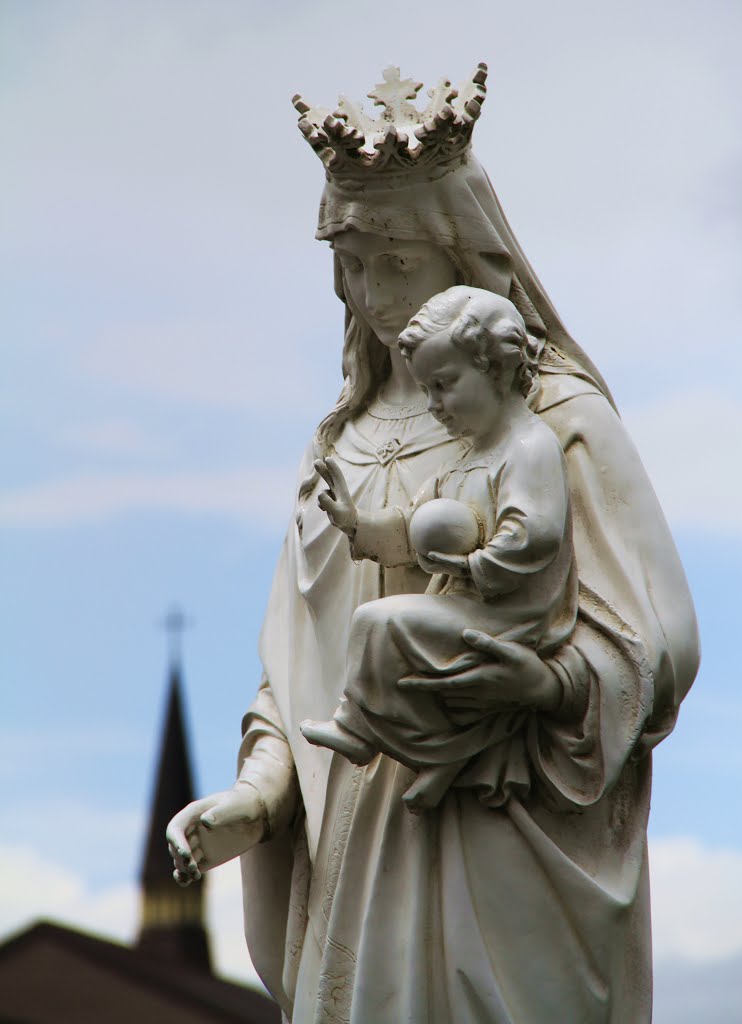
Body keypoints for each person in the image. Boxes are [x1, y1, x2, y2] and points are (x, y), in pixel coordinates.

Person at [167, 65, 699, 1023]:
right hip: (360, 847)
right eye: (351, 264)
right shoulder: (343, 442)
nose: (371, 293)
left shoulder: (557, 420)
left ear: (465, 257)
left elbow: (661, 638)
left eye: (396, 264)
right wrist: (260, 791)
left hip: (508, 824)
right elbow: (299, 665)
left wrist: (542, 685)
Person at [301, 287, 577, 814]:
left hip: (507, 615)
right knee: (378, 627)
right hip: (471, 604)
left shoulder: (529, 446)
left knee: (378, 623)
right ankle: (442, 755)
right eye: (427, 389)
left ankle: (361, 725)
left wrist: (476, 564)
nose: (434, 405)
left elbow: (535, 531)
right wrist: (356, 523)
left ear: (494, 368)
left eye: (445, 385)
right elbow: (413, 528)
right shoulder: (468, 456)